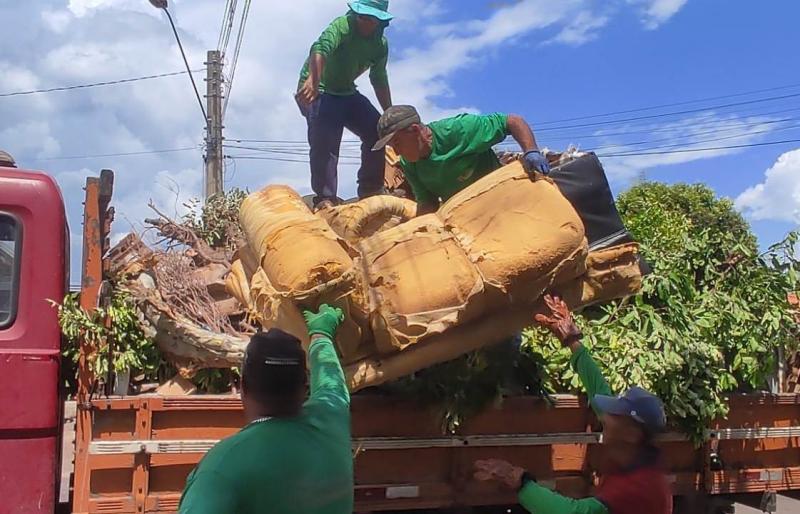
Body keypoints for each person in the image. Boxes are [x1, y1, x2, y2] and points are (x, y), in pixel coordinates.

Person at [474, 295, 672, 514]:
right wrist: (573, 342)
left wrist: (520, 480)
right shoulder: (630, 461)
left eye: (614, 415)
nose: (604, 417)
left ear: (632, 434)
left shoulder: (640, 486)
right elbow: (600, 393)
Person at [179, 304, 352, 514]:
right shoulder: (331, 419)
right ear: (304, 387)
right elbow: (331, 383)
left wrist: (320, 334)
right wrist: (321, 334)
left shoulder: (223, 467)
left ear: (243, 386)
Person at [297, 0, 394, 210]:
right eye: (361, 16)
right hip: (317, 88)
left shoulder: (380, 45)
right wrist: (313, 79)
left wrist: (390, 113)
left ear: (380, 21)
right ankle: (325, 198)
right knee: (326, 138)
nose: (365, 22)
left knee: (377, 129)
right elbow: (320, 48)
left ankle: (371, 188)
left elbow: (378, 78)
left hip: (346, 91)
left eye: (371, 19)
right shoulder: (343, 25)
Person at [372, 104, 550, 214]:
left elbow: (512, 121)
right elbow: (428, 203)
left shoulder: (459, 130)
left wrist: (531, 151)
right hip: (468, 216)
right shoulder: (409, 164)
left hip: (504, 198)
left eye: (397, 142)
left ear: (416, 130)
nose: (396, 150)